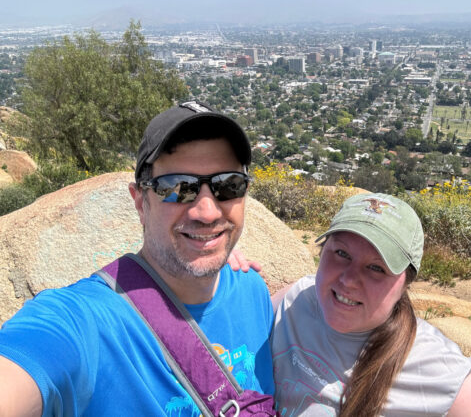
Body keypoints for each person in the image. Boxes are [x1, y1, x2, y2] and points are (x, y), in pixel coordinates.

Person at [0, 101, 275, 416]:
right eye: (178, 188)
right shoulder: (87, 321)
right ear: (141, 202)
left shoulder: (252, 292)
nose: (207, 212)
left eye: (228, 185)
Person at [270, 193, 471, 417]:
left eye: (376, 268)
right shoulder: (294, 301)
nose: (349, 280)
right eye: (342, 253)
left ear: (406, 284)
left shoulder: (435, 368)